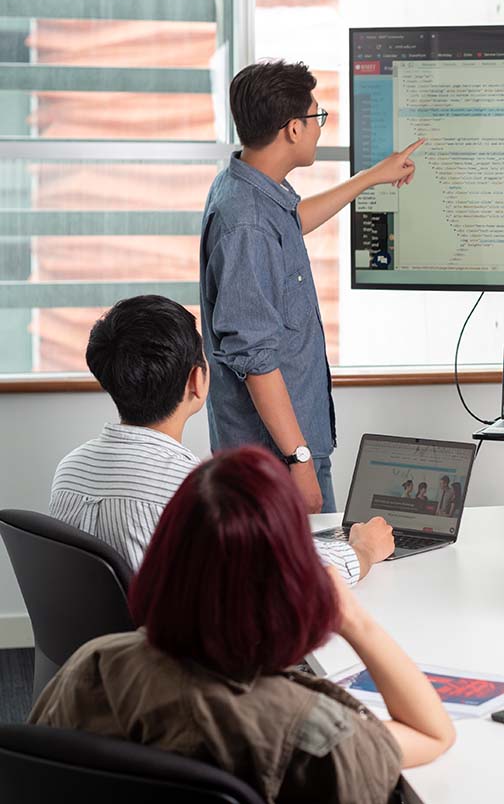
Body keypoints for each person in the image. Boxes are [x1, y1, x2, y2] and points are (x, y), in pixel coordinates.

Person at [32, 447, 455, 803]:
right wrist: (355, 620)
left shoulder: (93, 667)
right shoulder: (314, 733)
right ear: (293, 580)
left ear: (164, 558)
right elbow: (432, 733)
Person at [200, 59, 425, 513]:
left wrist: (370, 177)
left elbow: (290, 222)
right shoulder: (247, 224)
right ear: (292, 129)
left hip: (279, 450)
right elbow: (256, 358)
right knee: (308, 579)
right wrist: (299, 460)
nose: (321, 128)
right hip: (273, 459)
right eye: (317, 116)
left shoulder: (247, 188)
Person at [50, 295, 394, 582]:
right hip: (183, 660)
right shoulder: (196, 492)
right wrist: (362, 549)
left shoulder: (70, 470)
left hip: (104, 657)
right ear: (197, 380)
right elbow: (300, 573)